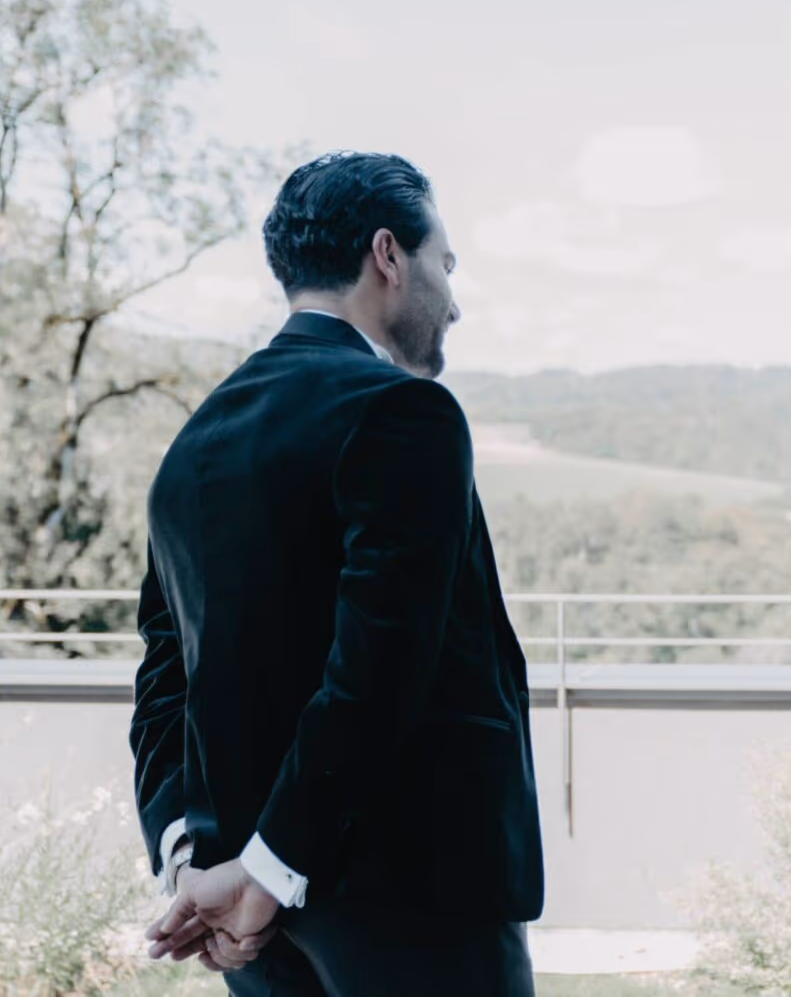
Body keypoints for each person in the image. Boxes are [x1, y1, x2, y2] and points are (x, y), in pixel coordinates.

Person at [131, 152, 543, 995]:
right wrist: (271, 866)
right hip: (415, 893)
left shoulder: (194, 444)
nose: (453, 301)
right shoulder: (403, 412)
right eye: (444, 264)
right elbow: (379, 667)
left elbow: (163, 685)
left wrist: (192, 857)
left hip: (249, 916)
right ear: (388, 255)